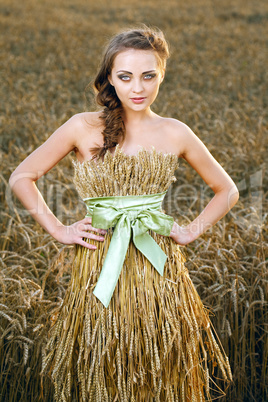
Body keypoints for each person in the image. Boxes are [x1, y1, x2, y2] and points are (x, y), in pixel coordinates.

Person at [9, 26, 239, 401]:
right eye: (125, 76)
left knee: (160, 366)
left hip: (158, 273)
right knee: (102, 365)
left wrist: (190, 231)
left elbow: (227, 190)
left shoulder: (175, 132)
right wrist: (60, 229)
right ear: (110, 78)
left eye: (149, 76)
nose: (138, 87)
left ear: (161, 75)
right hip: (98, 264)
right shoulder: (82, 127)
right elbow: (23, 176)